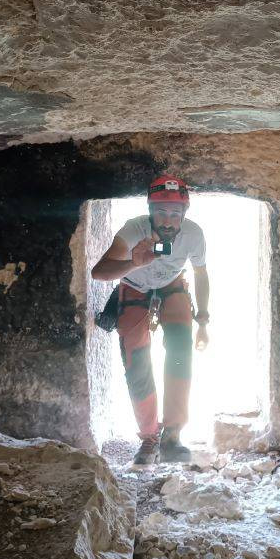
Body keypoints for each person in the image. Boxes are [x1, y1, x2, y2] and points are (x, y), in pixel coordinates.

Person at [91, 175, 210, 464]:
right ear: (150, 212)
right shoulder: (134, 230)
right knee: (136, 359)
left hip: (171, 285)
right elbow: (99, 272)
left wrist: (203, 320)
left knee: (181, 353)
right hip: (134, 285)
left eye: (174, 214)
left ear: (184, 215)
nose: (167, 222)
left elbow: (201, 274)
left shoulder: (193, 235)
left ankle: (172, 436)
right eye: (160, 213)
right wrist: (134, 261)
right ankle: (148, 437)